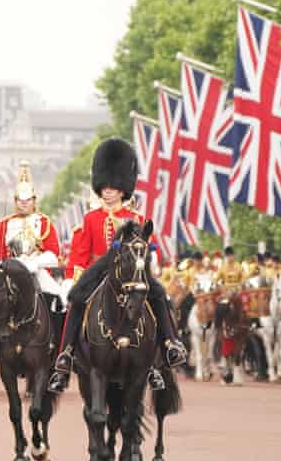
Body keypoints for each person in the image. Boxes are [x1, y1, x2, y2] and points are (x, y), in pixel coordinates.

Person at [49, 138, 187, 394]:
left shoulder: (137, 218)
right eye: (104, 186)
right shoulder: (91, 218)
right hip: (99, 271)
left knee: (160, 297)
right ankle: (66, 355)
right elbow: (80, 253)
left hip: (132, 272)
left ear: (123, 189)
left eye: (113, 187)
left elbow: (151, 247)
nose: (108, 191)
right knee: (76, 300)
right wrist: (72, 278)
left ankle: (169, 346)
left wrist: (152, 260)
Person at [0, 161, 64, 373]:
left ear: (34, 201)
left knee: (58, 299)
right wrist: (0, 265)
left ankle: (56, 348)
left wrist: (34, 263)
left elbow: (54, 253)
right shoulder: (6, 223)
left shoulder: (44, 222)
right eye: (20, 200)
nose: (23, 204)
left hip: (36, 270)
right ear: (15, 201)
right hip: (10, 271)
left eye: (27, 200)